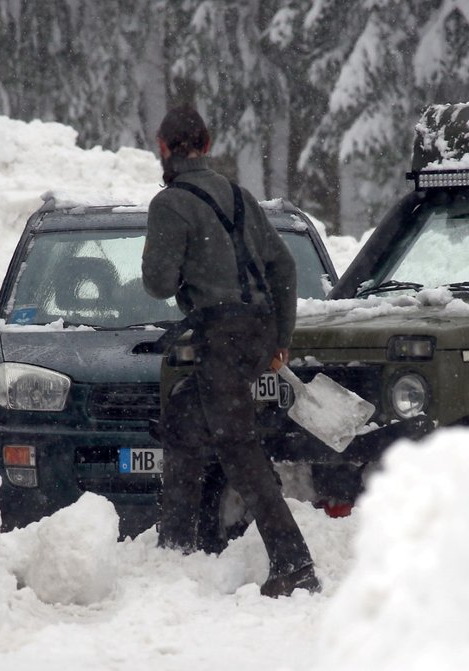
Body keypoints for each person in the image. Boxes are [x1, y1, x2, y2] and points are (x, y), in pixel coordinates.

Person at [142, 105, 320, 598]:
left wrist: (183, 268)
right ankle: (175, 546)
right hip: (257, 330)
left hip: (220, 335)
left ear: (163, 146)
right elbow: (283, 267)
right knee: (183, 419)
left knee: (238, 446)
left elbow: (157, 283)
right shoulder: (240, 197)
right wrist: (281, 338)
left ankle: (294, 562)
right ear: (207, 143)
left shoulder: (171, 203)